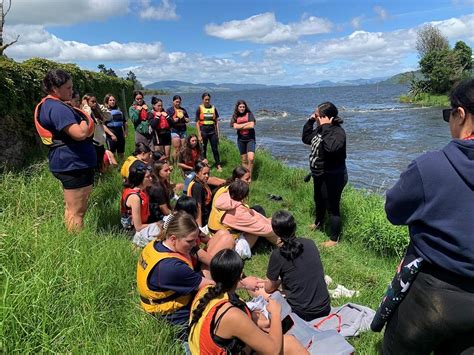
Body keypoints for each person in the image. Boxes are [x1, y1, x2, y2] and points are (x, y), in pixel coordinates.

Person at [381, 78, 474, 354]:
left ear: (460, 114)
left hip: (431, 293)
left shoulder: (430, 166)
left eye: (449, 114)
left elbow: (393, 211)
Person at [189, 249, 307, 354]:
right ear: (240, 275)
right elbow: (274, 351)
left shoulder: (205, 291)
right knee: (290, 343)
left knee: (258, 318)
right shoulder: (232, 315)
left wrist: (256, 322)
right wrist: (275, 313)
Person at [34, 69, 96, 231]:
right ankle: (77, 246)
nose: (71, 91)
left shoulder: (52, 105)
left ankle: (71, 241)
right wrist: (85, 117)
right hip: (73, 164)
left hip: (70, 162)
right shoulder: (57, 108)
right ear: (55, 89)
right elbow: (80, 133)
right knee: (78, 212)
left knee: (71, 209)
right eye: (68, 88)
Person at [264, 211, 331, 321]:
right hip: (325, 307)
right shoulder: (310, 243)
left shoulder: (277, 254)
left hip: (302, 313)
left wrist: (280, 279)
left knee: (260, 289)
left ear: (275, 231)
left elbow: (268, 288)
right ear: (295, 227)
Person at [302, 101, 347, 247]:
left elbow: (331, 149)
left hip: (334, 175)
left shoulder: (337, 132)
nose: (316, 117)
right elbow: (306, 138)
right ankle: (319, 224)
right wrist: (310, 121)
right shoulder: (320, 129)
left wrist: (326, 126)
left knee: (332, 207)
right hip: (319, 174)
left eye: (317, 115)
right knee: (319, 200)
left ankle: (334, 239)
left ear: (326, 117)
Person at [211, 179, 279, 247]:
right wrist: (280, 227)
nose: (249, 180)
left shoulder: (221, 192)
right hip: (229, 243)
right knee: (257, 231)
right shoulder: (237, 213)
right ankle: (268, 243)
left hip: (214, 233)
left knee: (258, 211)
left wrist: (267, 221)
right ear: (244, 197)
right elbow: (264, 229)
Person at [120, 161, 160, 247]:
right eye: (148, 177)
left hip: (140, 228)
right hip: (134, 234)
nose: (151, 179)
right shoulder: (135, 197)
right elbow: (138, 227)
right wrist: (158, 224)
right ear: (139, 179)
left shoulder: (139, 190)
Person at [81, 93, 114, 174]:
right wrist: (86, 107)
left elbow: (109, 117)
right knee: (94, 168)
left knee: (101, 167)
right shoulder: (85, 112)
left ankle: (102, 183)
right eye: (92, 101)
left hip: (100, 144)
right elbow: (87, 119)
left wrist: (102, 108)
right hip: (92, 144)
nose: (95, 103)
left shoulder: (97, 112)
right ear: (87, 103)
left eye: (96, 101)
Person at [196, 92, 222, 172]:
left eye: (208, 99)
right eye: (205, 100)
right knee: (204, 149)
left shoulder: (213, 108)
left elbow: (216, 121)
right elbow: (197, 122)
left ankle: (218, 165)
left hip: (212, 131)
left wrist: (218, 133)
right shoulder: (199, 108)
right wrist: (199, 134)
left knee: (215, 148)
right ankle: (205, 165)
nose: (207, 101)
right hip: (203, 130)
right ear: (203, 100)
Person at [230, 100, 256, 178]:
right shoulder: (235, 116)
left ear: (245, 107)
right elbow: (234, 126)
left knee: (251, 159)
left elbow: (251, 125)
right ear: (237, 108)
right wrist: (246, 124)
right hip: (241, 140)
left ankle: (249, 177)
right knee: (244, 160)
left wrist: (239, 125)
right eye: (240, 107)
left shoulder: (249, 114)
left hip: (250, 139)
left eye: (243, 107)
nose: (242, 108)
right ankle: (245, 177)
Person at [187, 161, 212, 228]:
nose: (207, 176)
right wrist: (200, 227)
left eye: (208, 173)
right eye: (204, 174)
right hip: (202, 219)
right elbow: (198, 207)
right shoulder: (197, 187)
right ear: (197, 174)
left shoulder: (199, 181)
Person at [166, 95, 190, 164]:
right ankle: (175, 163)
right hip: (174, 130)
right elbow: (167, 120)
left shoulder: (183, 110)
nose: (178, 103)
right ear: (173, 102)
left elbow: (188, 119)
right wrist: (172, 119)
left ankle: (181, 162)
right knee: (176, 148)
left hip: (183, 129)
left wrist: (186, 119)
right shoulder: (169, 110)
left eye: (179, 102)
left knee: (183, 148)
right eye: (176, 102)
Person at [104, 93, 127, 160]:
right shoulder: (105, 111)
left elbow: (124, 122)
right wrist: (111, 135)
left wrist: (125, 131)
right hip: (110, 134)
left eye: (113, 100)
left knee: (121, 153)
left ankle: (122, 167)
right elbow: (103, 125)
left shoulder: (119, 110)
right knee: (112, 154)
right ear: (107, 101)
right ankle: (114, 168)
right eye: (110, 100)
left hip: (120, 133)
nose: (112, 102)